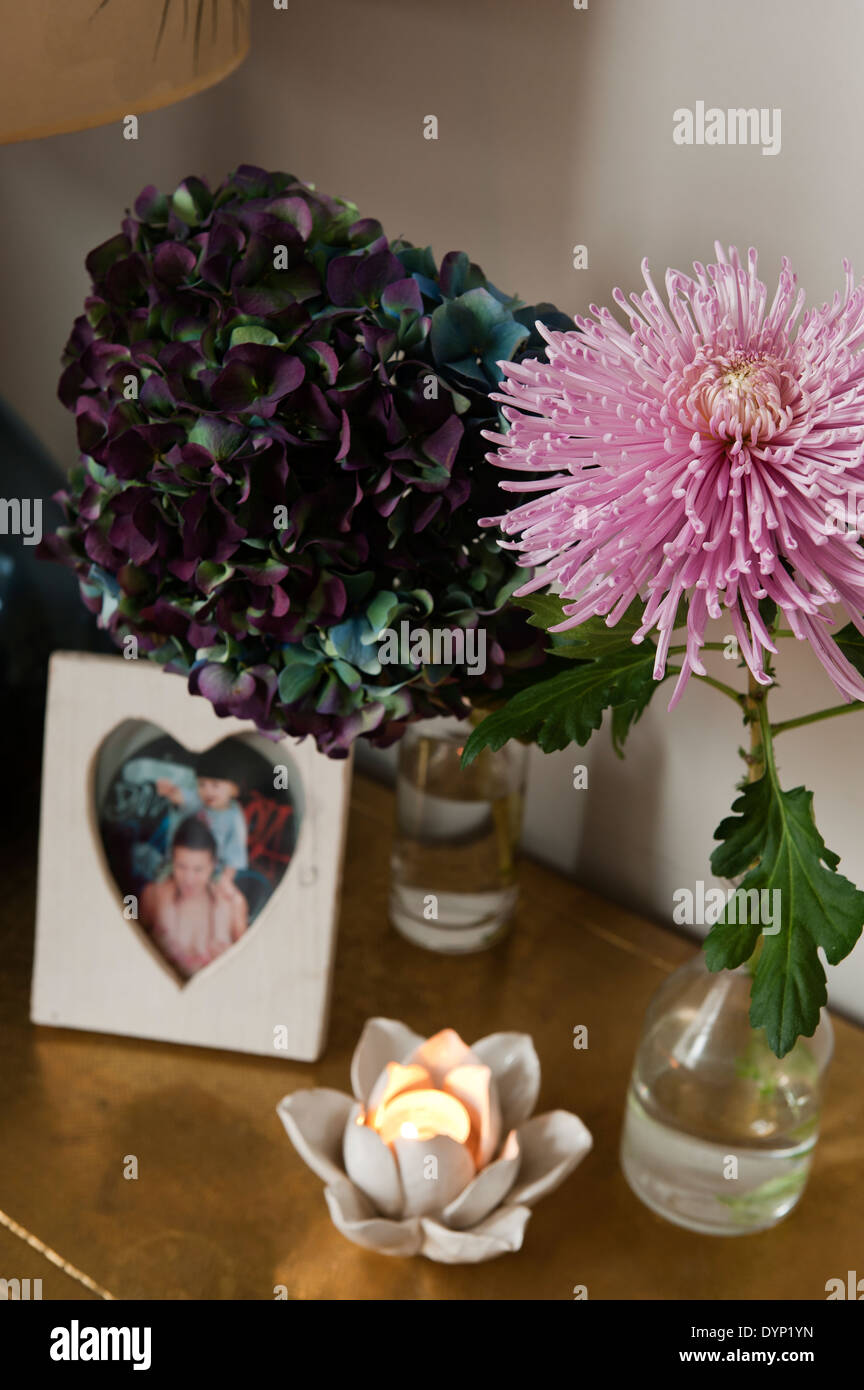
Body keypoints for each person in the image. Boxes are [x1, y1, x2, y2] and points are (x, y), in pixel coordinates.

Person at [139, 817, 248, 980]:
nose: (189, 879)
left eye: (198, 870)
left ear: (213, 865)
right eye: (181, 867)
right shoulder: (153, 895)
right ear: (172, 861)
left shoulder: (233, 903)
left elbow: (249, 964)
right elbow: (129, 945)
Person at [155, 746, 248, 897]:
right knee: (164, 887)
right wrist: (169, 791)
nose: (207, 791)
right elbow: (180, 796)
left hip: (211, 870)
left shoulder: (234, 819)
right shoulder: (197, 800)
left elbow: (234, 856)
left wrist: (226, 880)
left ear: (233, 789)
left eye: (215, 785)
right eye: (201, 784)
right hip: (179, 862)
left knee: (212, 896)